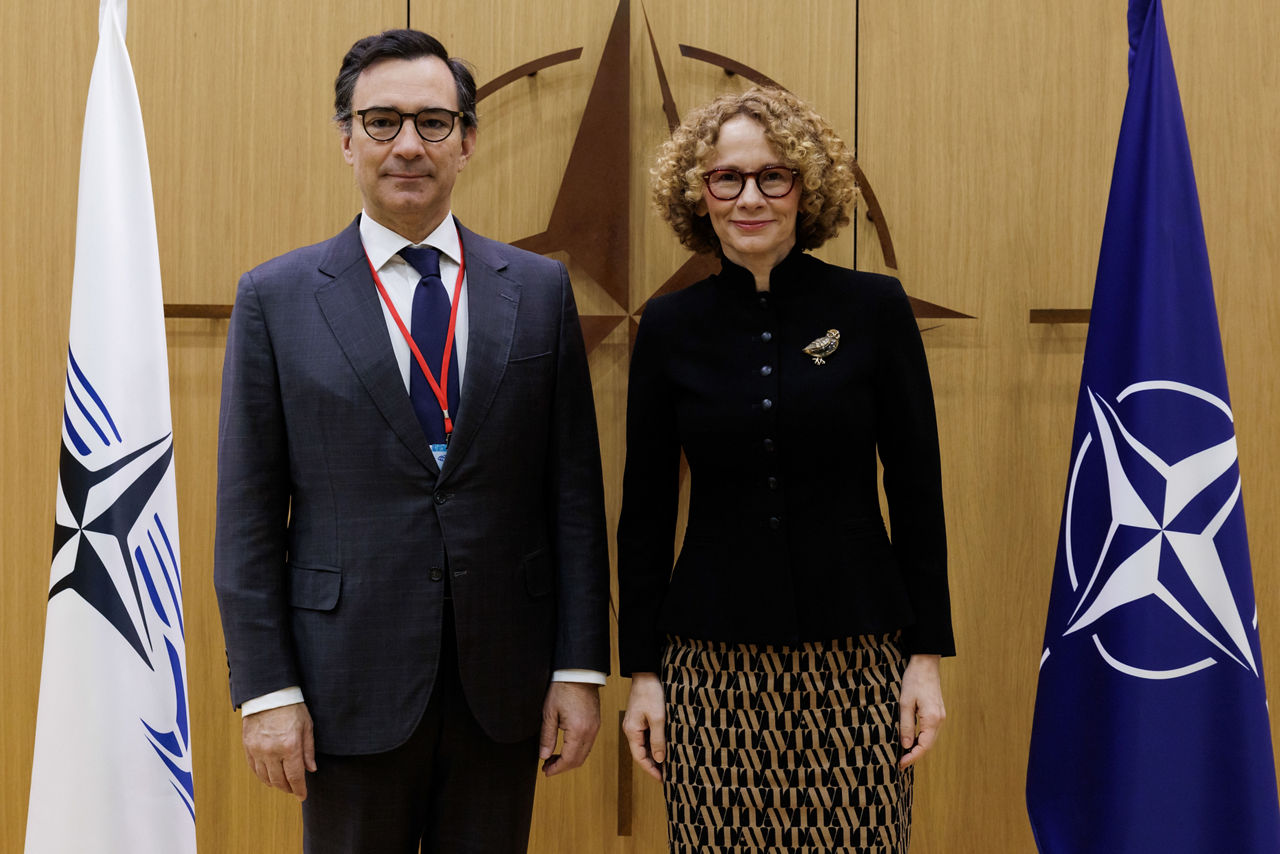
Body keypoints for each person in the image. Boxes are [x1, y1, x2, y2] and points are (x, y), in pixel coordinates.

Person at [213, 28, 610, 854]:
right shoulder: (276, 298)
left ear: (467, 141)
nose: (407, 145)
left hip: (502, 685)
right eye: (382, 120)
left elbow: (571, 494)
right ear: (347, 138)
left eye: (433, 122)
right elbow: (248, 517)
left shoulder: (537, 292)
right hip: (341, 687)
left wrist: (578, 670)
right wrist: (266, 691)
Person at [618, 87, 954, 853]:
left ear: (809, 188)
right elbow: (642, 512)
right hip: (708, 662)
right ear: (698, 197)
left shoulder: (873, 308)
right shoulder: (670, 326)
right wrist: (642, 671)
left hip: (859, 653)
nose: (750, 198)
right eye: (726, 178)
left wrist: (924, 658)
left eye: (775, 176)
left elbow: (916, 488)